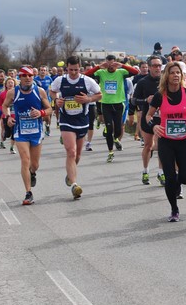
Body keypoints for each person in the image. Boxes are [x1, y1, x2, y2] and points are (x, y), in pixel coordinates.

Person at [145, 61, 186, 222]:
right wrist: (154, 126)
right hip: (166, 142)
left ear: (182, 76)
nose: (176, 75)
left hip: (183, 141)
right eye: (172, 73)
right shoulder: (160, 96)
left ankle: (177, 184)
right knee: (169, 177)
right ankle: (174, 209)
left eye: (178, 73)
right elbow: (148, 116)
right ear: (166, 76)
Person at [49, 55, 102, 200]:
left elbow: (99, 94)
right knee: (71, 152)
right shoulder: (61, 80)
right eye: (71, 70)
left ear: (80, 68)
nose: (73, 72)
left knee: (77, 155)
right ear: (67, 68)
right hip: (66, 120)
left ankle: (70, 175)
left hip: (82, 120)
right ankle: (74, 186)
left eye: (76, 70)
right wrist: (56, 100)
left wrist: (89, 99)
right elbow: (52, 91)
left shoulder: (87, 81)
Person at [2, 66, 52, 205]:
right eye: (24, 76)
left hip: (36, 132)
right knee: (25, 159)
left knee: (34, 164)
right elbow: (5, 106)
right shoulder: (13, 92)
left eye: (30, 75)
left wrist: (41, 113)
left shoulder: (39, 91)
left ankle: (33, 172)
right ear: (20, 77)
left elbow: (49, 109)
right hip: (21, 132)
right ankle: (28, 192)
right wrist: (8, 117)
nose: (28, 78)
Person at [84, 54, 138, 162]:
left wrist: (122, 65)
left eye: (113, 63)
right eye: (109, 63)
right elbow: (86, 75)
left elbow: (136, 72)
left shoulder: (121, 72)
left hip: (118, 104)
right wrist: (99, 66)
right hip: (106, 104)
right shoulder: (101, 72)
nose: (111, 66)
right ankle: (110, 152)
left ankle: (116, 139)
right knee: (109, 129)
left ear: (115, 63)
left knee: (118, 128)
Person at [132, 55, 165, 185]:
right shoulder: (142, 82)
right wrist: (146, 100)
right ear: (149, 67)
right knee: (148, 145)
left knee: (162, 146)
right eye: (154, 65)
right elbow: (134, 100)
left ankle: (161, 173)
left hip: (162, 118)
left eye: (159, 65)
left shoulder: (165, 81)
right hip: (148, 117)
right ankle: (145, 171)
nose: (157, 68)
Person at [34, 65, 53, 136]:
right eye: (41, 70)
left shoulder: (49, 79)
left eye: (44, 70)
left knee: (48, 116)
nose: (43, 72)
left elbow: (51, 88)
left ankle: (47, 126)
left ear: (46, 72)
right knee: (40, 114)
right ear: (39, 72)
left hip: (48, 99)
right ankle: (40, 128)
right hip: (39, 100)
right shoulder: (35, 79)